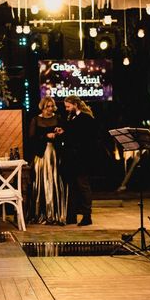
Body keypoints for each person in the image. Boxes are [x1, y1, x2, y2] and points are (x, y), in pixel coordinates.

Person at [55, 95, 95, 226]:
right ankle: (71, 215)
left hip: (81, 158)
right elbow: (72, 133)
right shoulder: (72, 117)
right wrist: (63, 131)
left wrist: (65, 133)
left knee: (83, 186)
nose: (66, 109)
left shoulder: (85, 118)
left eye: (68, 106)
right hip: (71, 158)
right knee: (72, 187)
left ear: (75, 105)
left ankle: (87, 216)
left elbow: (83, 138)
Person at [28, 97, 67, 225]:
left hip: (55, 153)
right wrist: (45, 136)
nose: (50, 109)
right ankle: (41, 213)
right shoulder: (36, 119)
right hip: (41, 154)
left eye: (51, 106)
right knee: (41, 181)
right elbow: (31, 138)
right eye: (47, 107)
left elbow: (65, 134)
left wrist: (59, 132)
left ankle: (55, 213)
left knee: (54, 180)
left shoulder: (58, 118)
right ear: (43, 107)